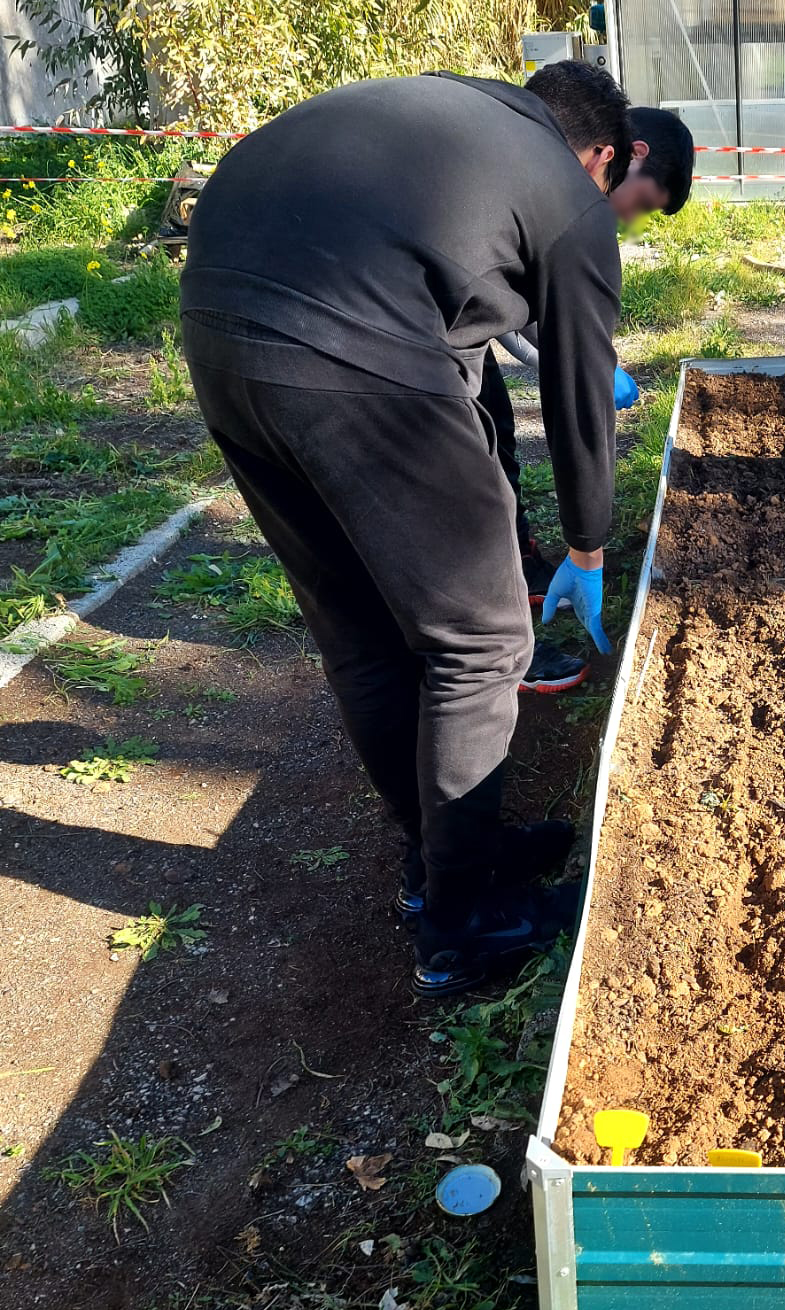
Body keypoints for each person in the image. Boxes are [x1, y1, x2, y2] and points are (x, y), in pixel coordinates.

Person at [180, 61, 630, 995]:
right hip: (349, 352)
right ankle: (463, 925)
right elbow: (580, 389)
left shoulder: (443, 112)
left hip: (220, 334)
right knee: (482, 638)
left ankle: (446, 858)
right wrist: (587, 545)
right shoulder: (567, 189)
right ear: (602, 156)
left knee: (364, 636)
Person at [492, 107, 694, 691]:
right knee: (462, 480)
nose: (630, 220)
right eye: (644, 203)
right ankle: (495, 652)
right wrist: (587, 549)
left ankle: (518, 565)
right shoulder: (548, 182)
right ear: (630, 153)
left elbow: (518, 309)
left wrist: (583, 362)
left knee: (494, 430)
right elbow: (510, 313)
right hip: (386, 325)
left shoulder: (543, 166)